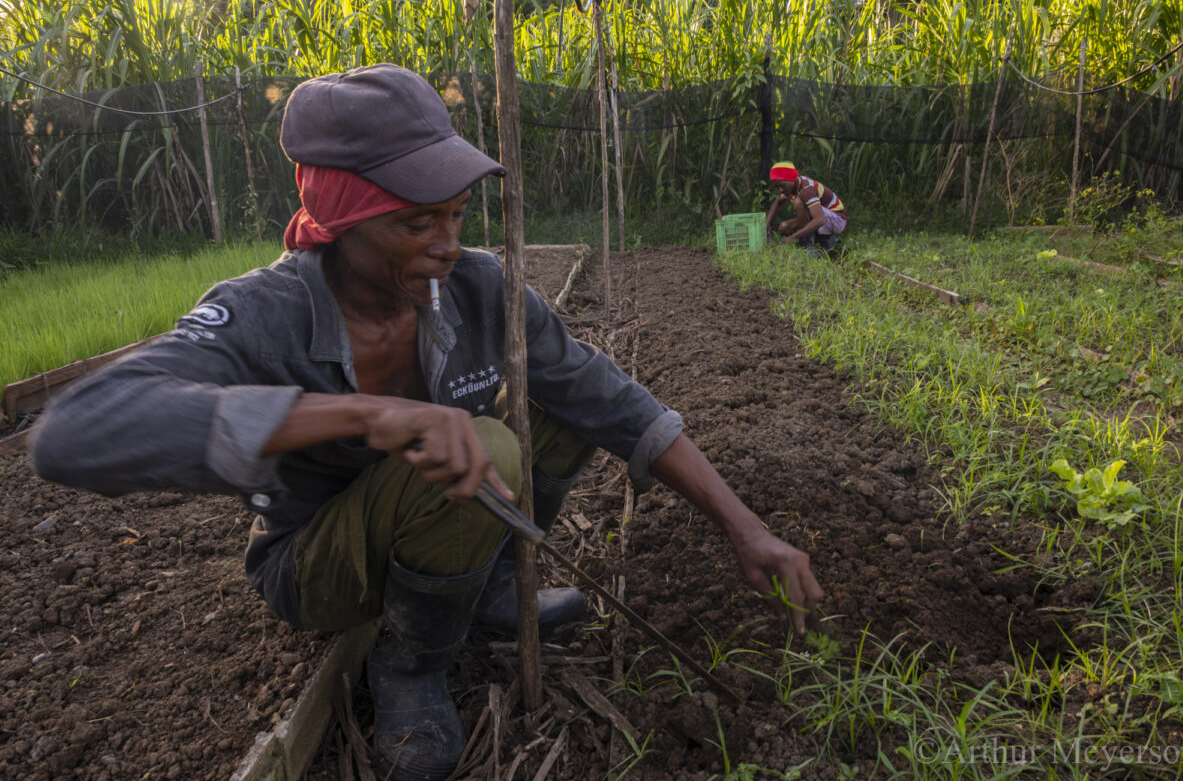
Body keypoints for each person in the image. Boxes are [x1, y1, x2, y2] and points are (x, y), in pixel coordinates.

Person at [30, 64, 823, 781]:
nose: (448, 244)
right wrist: (368, 414)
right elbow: (77, 432)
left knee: (563, 412)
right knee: (488, 442)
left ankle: (477, 596)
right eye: (417, 223)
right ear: (344, 216)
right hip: (317, 564)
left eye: (457, 215)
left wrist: (745, 528)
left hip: (433, 528)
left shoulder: (480, 290)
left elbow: (611, 398)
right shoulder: (260, 313)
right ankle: (410, 665)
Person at [765, 161, 848, 257]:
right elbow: (777, 202)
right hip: (823, 216)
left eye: (782, 185)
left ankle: (808, 245)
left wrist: (793, 237)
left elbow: (820, 220)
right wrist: (767, 223)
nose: (780, 190)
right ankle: (826, 242)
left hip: (837, 219)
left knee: (798, 202)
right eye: (777, 187)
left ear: (791, 179)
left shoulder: (806, 189)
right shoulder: (792, 187)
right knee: (784, 227)